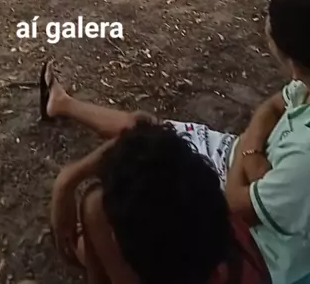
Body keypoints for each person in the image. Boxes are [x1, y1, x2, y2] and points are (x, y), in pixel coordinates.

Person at [45, 0, 310, 284]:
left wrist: (246, 149)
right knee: (142, 138)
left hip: (257, 244)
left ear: (292, 61)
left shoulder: (303, 160)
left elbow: (235, 207)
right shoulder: (305, 85)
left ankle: (95, 247)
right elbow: (272, 106)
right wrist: (251, 152)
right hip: (234, 168)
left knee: (97, 224)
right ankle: (62, 104)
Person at [51, 120, 269, 284]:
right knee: (94, 206)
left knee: (93, 211)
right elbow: (146, 135)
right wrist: (68, 180)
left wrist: (69, 180)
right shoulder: (209, 218)